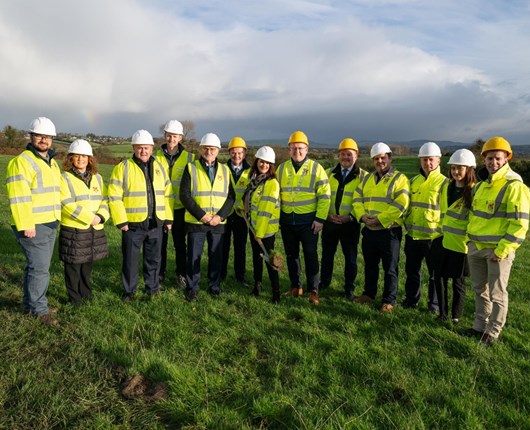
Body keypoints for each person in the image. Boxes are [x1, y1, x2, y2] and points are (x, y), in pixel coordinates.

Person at [462, 136, 530, 346]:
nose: (493, 163)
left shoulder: (514, 186)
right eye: (490, 158)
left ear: (506, 158)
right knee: (479, 290)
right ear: (484, 160)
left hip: (496, 251)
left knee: (497, 294)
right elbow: (474, 216)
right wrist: (469, 242)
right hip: (476, 247)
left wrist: (501, 250)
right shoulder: (482, 185)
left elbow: (520, 224)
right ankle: (479, 327)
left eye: (498, 158)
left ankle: (492, 332)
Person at [6, 117, 62, 325]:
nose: (44, 140)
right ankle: (39, 310)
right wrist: (26, 224)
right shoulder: (22, 161)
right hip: (33, 225)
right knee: (39, 269)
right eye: (40, 135)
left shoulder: (52, 163)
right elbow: (19, 197)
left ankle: (31, 305)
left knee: (36, 267)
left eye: (47, 137)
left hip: (50, 222)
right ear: (31, 136)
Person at [108, 129, 173, 301]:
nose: (143, 151)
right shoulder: (123, 168)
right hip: (132, 225)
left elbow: (167, 195)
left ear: (152, 148)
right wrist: (121, 221)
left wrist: (168, 218)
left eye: (146, 147)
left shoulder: (160, 167)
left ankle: (152, 288)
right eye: (139, 148)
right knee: (130, 260)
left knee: (154, 259)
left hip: (156, 223)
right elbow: (114, 196)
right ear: (133, 148)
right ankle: (129, 290)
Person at [352, 142, 410, 313]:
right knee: (370, 264)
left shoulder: (400, 179)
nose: (380, 161)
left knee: (390, 268)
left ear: (390, 158)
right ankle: (369, 294)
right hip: (369, 231)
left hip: (389, 231)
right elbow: (357, 199)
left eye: (383, 158)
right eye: (376, 159)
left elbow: (402, 204)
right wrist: (362, 216)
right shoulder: (367, 179)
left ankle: (388, 300)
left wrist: (379, 219)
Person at [277, 130, 331, 305]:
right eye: (293, 148)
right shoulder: (282, 168)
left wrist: (320, 219)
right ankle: (296, 287)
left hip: (309, 223)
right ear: (288, 149)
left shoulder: (317, 168)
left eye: (300, 148)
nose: (297, 152)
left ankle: (313, 290)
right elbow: (275, 194)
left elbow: (324, 196)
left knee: (310, 255)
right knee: (291, 255)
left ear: (307, 149)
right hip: (287, 221)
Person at [180, 133, 235, 301]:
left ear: (218, 150)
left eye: (212, 149)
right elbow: (184, 195)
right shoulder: (191, 168)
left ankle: (214, 285)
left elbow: (231, 197)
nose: (209, 151)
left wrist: (219, 216)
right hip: (197, 221)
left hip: (218, 222)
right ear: (201, 149)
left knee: (216, 255)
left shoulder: (226, 170)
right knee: (194, 256)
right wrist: (203, 216)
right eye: (206, 148)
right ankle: (192, 287)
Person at [59, 139, 109, 305]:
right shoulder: (64, 178)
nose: (81, 159)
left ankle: (86, 294)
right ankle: (75, 299)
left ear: (90, 159)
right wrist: (90, 218)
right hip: (74, 229)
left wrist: (101, 217)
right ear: (71, 159)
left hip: (93, 229)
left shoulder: (98, 178)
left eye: (84, 156)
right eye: (77, 156)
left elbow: (105, 200)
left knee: (87, 265)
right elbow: (66, 203)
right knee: (73, 266)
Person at [431, 149, 476, 324]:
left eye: (460, 168)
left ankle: (455, 316)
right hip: (442, 240)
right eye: (453, 168)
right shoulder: (446, 187)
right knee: (439, 279)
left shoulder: (473, 191)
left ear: (469, 169)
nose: (456, 172)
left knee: (458, 284)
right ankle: (442, 314)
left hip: (460, 244)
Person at [403, 142, 448, 312]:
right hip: (413, 235)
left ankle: (434, 304)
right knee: (412, 271)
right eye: (424, 160)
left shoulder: (444, 183)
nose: (427, 163)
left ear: (438, 161)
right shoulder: (413, 181)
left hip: (433, 238)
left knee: (434, 275)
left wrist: (441, 233)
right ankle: (411, 299)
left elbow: (446, 212)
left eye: (430, 159)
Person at [319, 138, 367, 300]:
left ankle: (349, 288)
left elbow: (366, 202)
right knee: (327, 255)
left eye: (349, 154)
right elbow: (321, 197)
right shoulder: (328, 174)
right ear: (338, 156)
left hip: (350, 225)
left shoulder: (364, 177)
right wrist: (327, 215)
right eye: (342, 154)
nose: (346, 157)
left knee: (351, 258)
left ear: (356, 155)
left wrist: (351, 217)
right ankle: (324, 282)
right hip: (330, 223)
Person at [155, 120, 194, 288]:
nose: (171, 139)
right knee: (159, 244)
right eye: (169, 135)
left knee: (180, 244)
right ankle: (160, 274)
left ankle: (181, 274)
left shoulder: (189, 158)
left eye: (175, 136)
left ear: (181, 137)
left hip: (179, 209)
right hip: (160, 208)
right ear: (165, 135)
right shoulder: (154, 156)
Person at [240, 146, 281, 303]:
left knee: (270, 261)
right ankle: (257, 287)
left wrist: (260, 233)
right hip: (253, 227)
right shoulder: (255, 180)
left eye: (267, 163)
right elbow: (249, 200)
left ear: (271, 165)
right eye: (261, 161)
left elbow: (265, 210)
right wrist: (241, 208)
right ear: (257, 161)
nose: (264, 165)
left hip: (265, 231)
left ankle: (276, 294)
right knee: (257, 258)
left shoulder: (271, 183)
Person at [221, 136, 251, 286]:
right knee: (223, 246)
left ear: (244, 153)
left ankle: (240, 275)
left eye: (239, 153)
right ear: (229, 153)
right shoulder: (222, 169)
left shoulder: (251, 171)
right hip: (225, 214)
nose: (236, 156)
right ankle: (221, 273)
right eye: (233, 153)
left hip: (241, 216)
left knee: (240, 247)